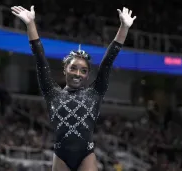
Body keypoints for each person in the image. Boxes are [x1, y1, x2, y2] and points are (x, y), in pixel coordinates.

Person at [11, 5, 136, 171]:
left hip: (86, 155)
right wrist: (30, 24)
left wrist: (123, 27)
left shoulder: (95, 93)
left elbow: (108, 62)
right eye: (73, 68)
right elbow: (40, 58)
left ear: (87, 75)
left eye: (83, 71)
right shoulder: (51, 93)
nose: (78, 73)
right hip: (61, 156)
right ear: (65, 70)